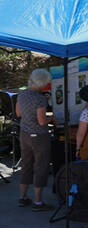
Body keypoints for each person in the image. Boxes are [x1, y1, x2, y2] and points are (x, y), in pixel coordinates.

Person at [15, 68, 54, 211]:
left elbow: (18, 113)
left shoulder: (22, 93)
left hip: (24, 134)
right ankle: (38, 202)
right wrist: (52, 118)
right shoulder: (40, 98)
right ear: (43, 83)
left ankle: (23, 197)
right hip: (39, 136)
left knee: (26, 165)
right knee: (41, 167)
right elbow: (42, 121)